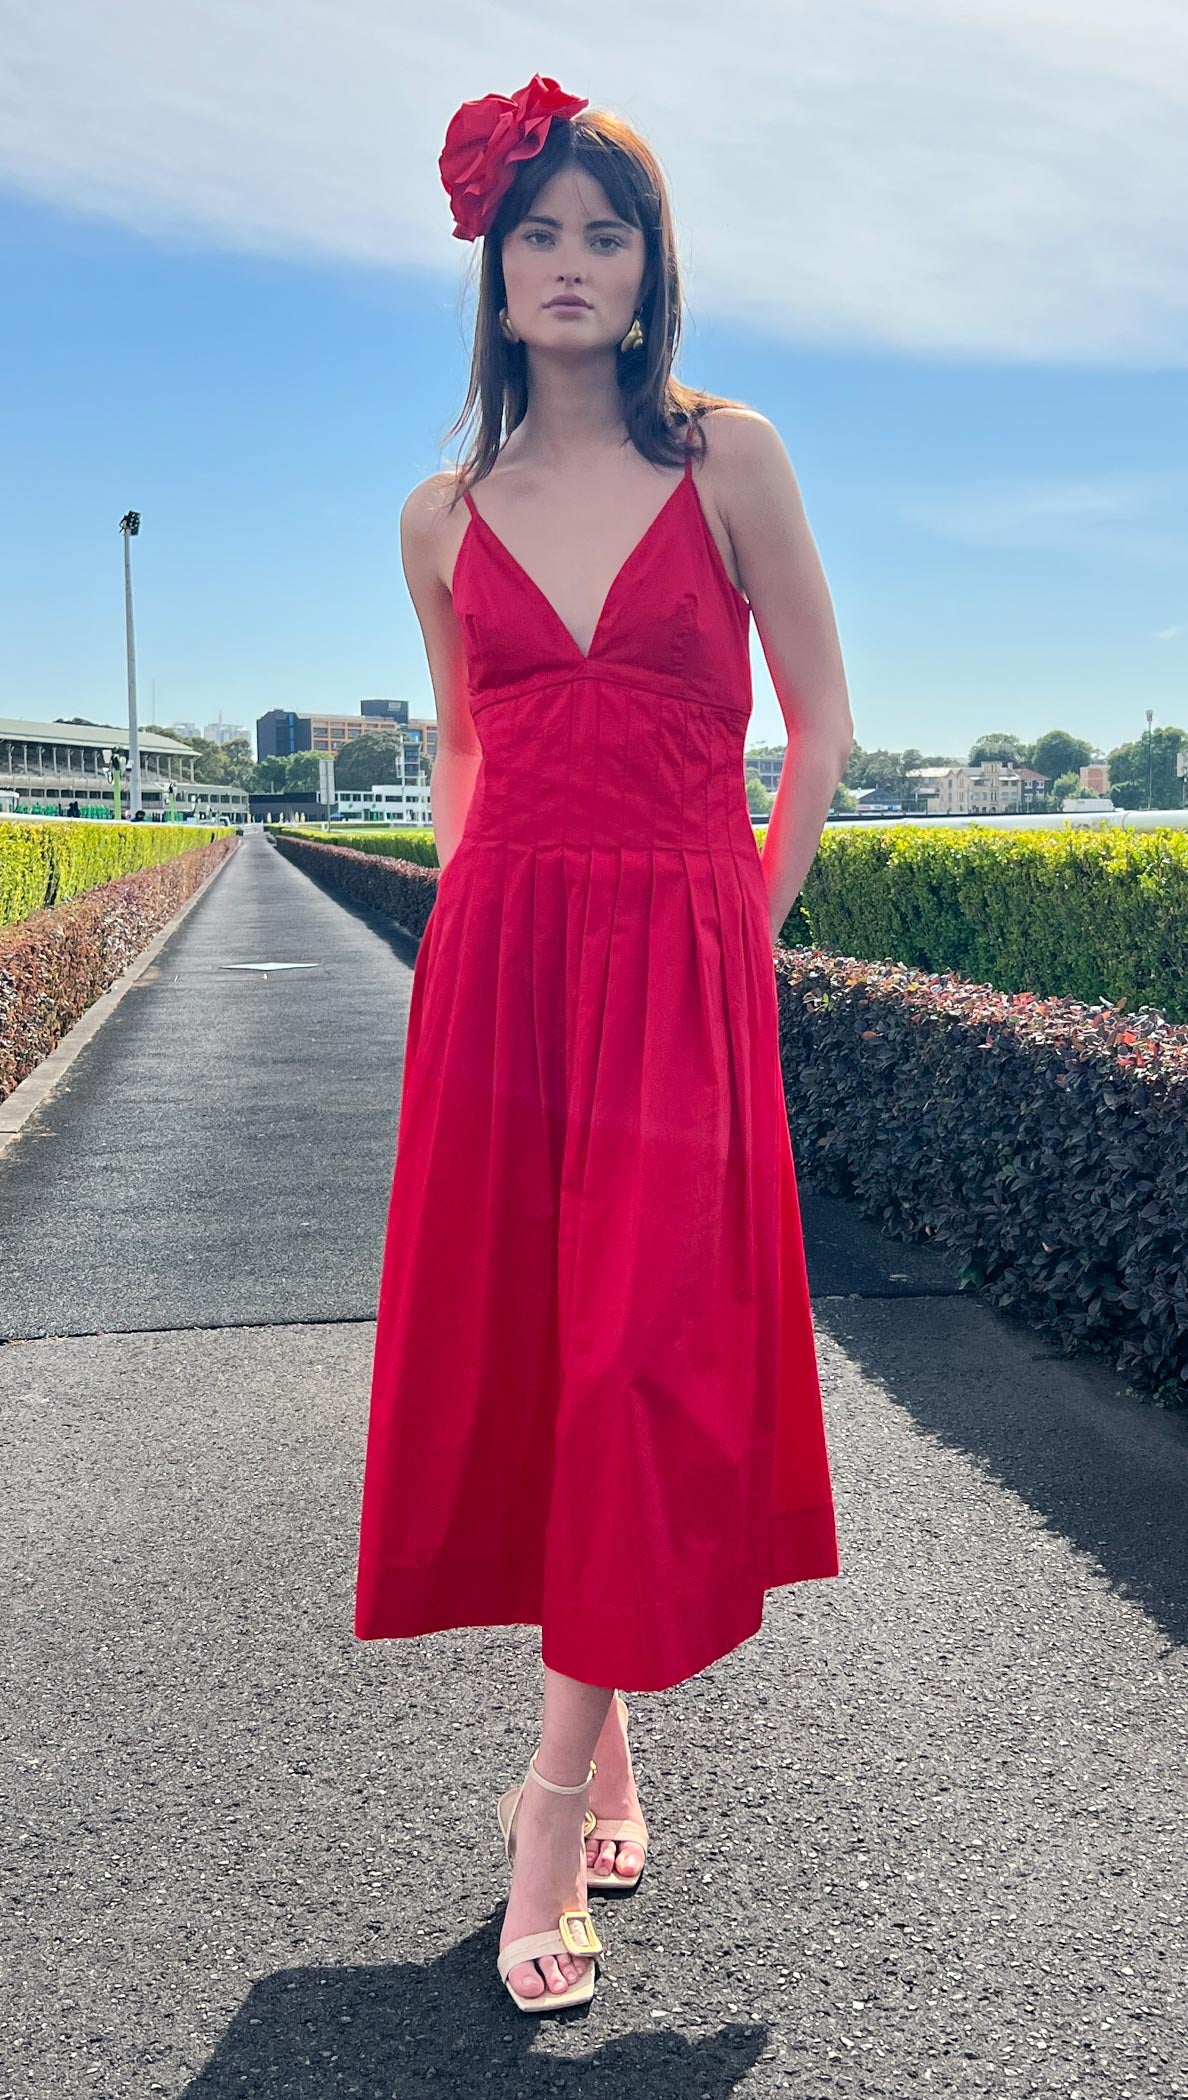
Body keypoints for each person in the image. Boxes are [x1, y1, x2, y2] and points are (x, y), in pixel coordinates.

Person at [354, 73, 854, 2015]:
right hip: (500, 964)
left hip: (676, 951)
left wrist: (742, 923)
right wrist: (466, 954)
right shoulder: (441, 517)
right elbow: (467, 755)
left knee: (641, 1356)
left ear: (652, 272)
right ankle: (610, 1745)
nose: (572, 263)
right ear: (492, 268)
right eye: (538, 232)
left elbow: (814, 725)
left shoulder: (730, 458)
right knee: (539, 1365)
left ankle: (543, 1803)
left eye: (606, 231)